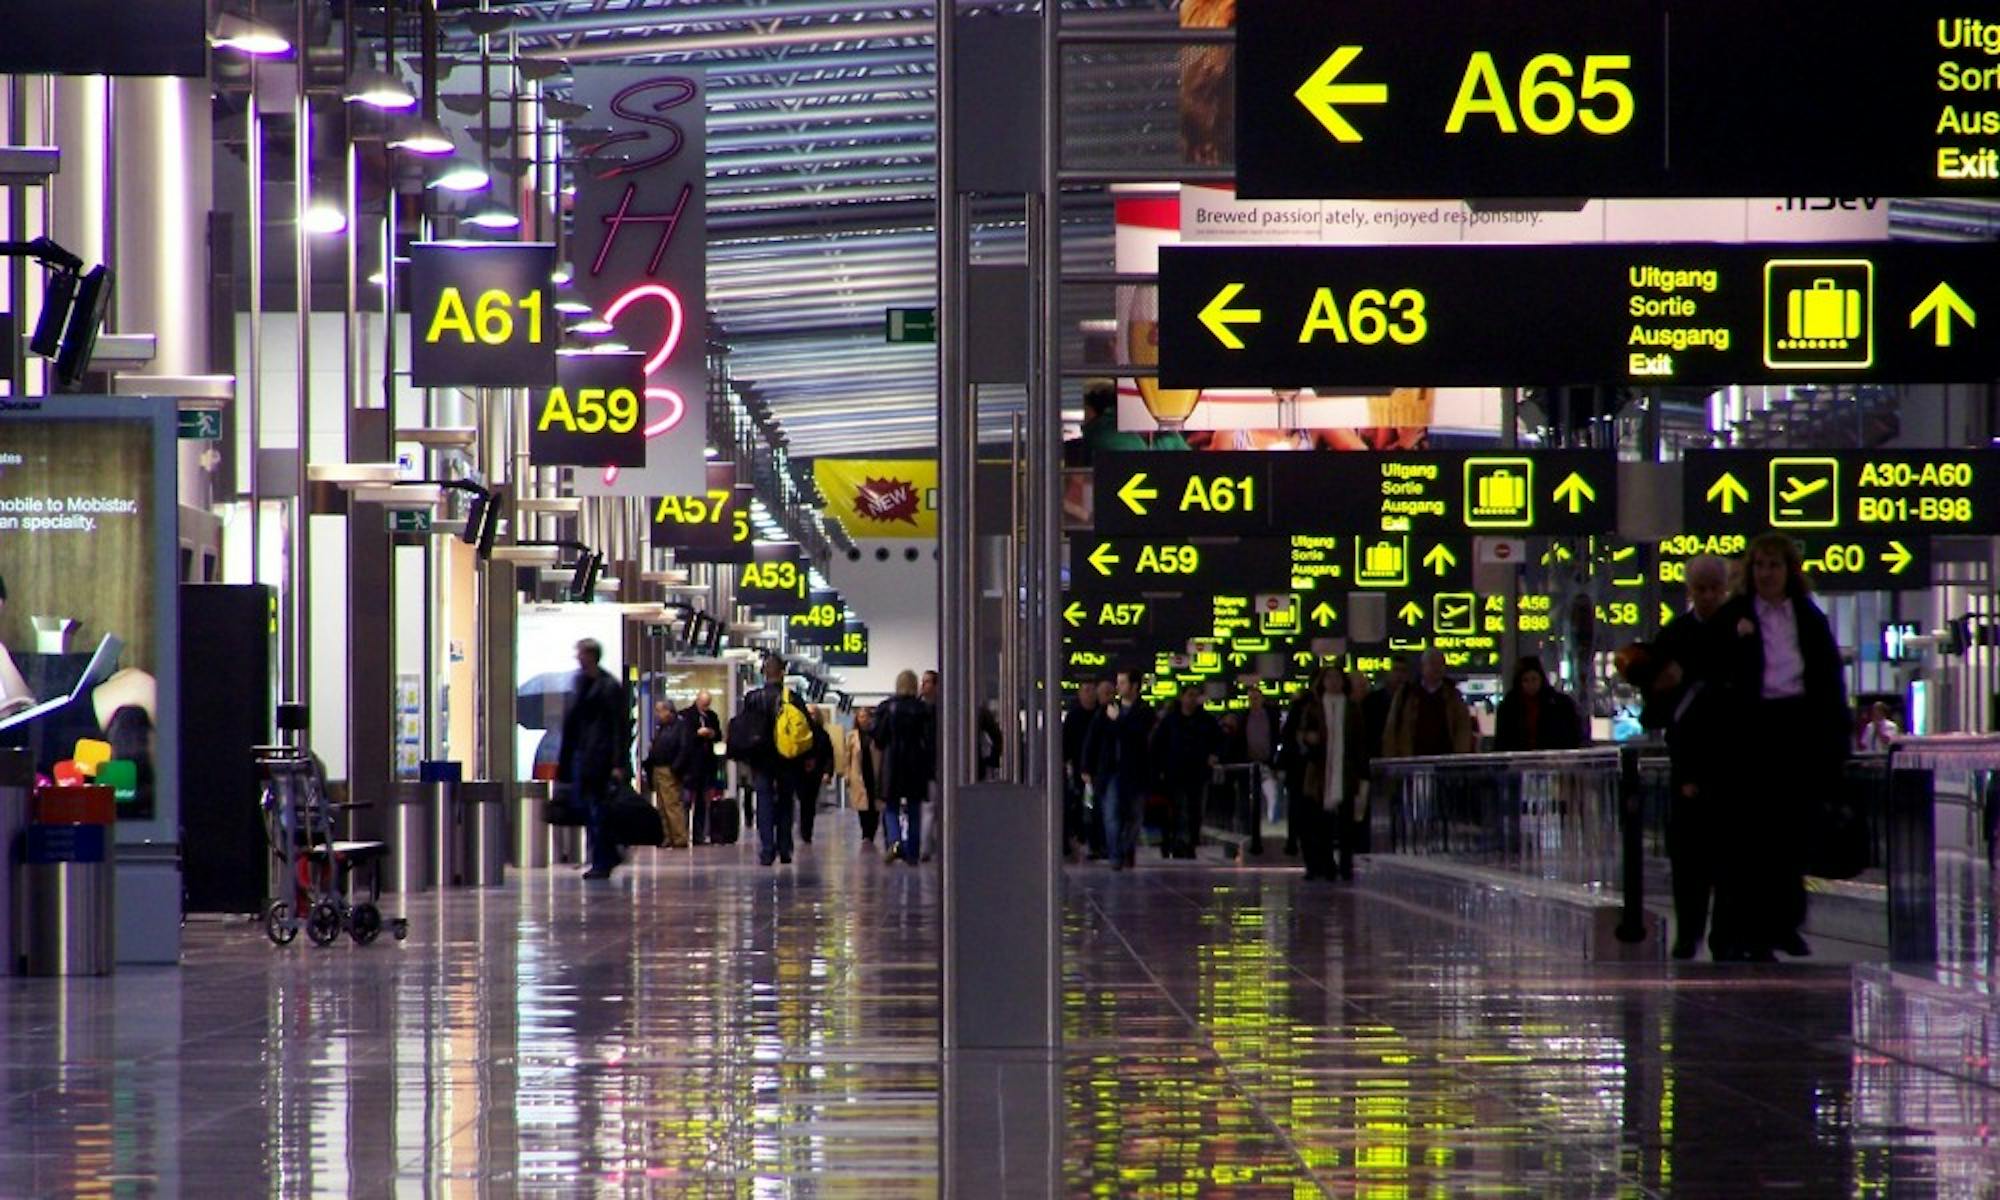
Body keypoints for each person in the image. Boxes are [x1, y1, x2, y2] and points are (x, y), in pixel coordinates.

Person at [1719, 532, 1850, 961]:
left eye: (1774, 566)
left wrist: (1834, 742)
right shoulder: (1736, 616)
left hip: (1798, 727)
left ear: (1788, 571)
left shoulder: (1809, 619)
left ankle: (1786, 922)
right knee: (1756, 835)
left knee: (1792, 832)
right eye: (1759, 566)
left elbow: (1829, 681)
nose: (1767, 574)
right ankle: (1757, 930)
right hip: (1754, 731)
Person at [1634, 553, 1739, 960]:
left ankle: (1723, 931)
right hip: (1690, 758)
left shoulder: (1738, 630)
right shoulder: (1675, 635)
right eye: (1701, 589)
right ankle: (1690, 929)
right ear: (1690, 591)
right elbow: (1654, 696)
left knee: (1728, 854)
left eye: (1715, 589)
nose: (1709, 597)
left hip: (1730, 757)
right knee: (1689, 854)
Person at [1288, 665, 1370, 881]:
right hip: (1319, 772)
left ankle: (1345, 864)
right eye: (1329, 678)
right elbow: (1301, 735)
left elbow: (1360, 741)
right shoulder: (1314, 707)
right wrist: (1308, 739)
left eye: (1337, 678)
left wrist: (1362, 771)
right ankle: (1325, 864)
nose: (1333, 682)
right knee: (1320, 822)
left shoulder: (1352, 708)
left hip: (1345, 770)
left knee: (1346, 822)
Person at [559, 639, 631, 880]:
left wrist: (618, 763)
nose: (577, 658)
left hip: (600, 758)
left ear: (590, 655)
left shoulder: (609, 687)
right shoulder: (581, 684)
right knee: (590, 810)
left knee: (599, 810)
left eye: (580, 653)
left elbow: (618, 727)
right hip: (584, 756)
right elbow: (573, 725)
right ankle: (605, 854)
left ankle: (603, 858)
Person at [741, 655, 810, 867]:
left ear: (764, 672)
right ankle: (785, 847)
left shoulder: (752, 698)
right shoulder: (793, 698)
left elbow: (745, 729)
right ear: (783, 672)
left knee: (764, 803)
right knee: (786, 802)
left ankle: (767, 850)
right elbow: (805, 731)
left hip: (761, 761)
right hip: (787, 759)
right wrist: (806, 758)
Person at [1082, 669, 1153, 870]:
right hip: (1111, 771)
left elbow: (1136, 734)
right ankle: (1116, 856)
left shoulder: (1144, 711)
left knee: (1134, 816)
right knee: (1111, 814)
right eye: (1118, 683)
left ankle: (1124, 849)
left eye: (1123, 683)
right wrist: (1086, 766)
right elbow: (1093, 738)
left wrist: (1119, 721)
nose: (1118, 687)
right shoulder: (1107, 710)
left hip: (1135, 772)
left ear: (1135, 686)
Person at [1150, 685, 1222, 859]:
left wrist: (1214, 755)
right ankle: (1179, 842)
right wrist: (1159, 769)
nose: (1192, 700)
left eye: (1196, 696)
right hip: (1175, 773)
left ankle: (1190, 842)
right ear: (1182, 697)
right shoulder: (1170, 720)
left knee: (1195, 810)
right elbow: (1157, 745)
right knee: (1178, 809)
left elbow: (1220, 740)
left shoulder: (1206, 720)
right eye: (1189, 695)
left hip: (1198, 773)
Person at [873, 670, 935, 864]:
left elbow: (879, 738)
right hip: (916, 763)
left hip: (892, 763)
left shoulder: (886, 707)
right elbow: (930, 739)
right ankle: (913, 853)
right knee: (914, 808)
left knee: (890, 807)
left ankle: (895, 840)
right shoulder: (923, 709)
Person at [1382, 650, 1476, 758]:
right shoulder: (1406, 694)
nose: (1436, 668)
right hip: (1412, 760)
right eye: (1432, 663)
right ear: (1423, 667)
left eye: (1440, 664)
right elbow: (1391, 729)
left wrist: (1459, 756)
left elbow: (1463, 729)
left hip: (1445, 760)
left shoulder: (1453, 696)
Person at [1493, 656, 1584, 752]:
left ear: (1541, 679)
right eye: (1525, 680)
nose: (1531, 685)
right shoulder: (1508, 707)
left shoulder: (1561, 704)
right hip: (1519, 761)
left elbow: (1573, 734)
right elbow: (1501, 741)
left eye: (1534, 679)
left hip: (1554, 761)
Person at [640, 699, 695, 849]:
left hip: (669, 769)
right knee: (662, 805)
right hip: (658, 769)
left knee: (672, 804)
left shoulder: (680, 726)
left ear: (669, 711)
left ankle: (679, 837)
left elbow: (684, 748)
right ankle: (667, 836)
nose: (658, 715)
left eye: (660, 711)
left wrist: (675, 767)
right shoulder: (662, 728)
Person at [1238, 685, 1283, 856]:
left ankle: (1268, 826)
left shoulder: (1270, 717)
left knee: (1269, 795)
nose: (1253, 701)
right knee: (1248, 801)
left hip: (1267, 763)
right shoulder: (1244, 717)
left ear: (1262, 699)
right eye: (1251, 698)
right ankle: (1250, 834)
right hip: (1249, 765)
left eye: (1256, 698)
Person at [1061, 683, 1101, 861]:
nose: (1090, 694)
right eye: (1086, 690)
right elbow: (1066, 742)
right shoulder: (1073, 717)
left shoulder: (1103, 714)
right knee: (1081, 804)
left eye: (1092, 690)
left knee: (1094, 806)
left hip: (1099, 769)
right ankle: (1081, 834)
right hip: (1079, 769)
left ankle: (1093, 840)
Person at [680, 690, 723, 843]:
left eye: (707, 704)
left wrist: (712, 733)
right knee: (685, 801)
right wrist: (697, 734)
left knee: (702, 803)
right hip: (691, 764)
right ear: (697, 701)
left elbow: (719, 735)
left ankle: (699, 835)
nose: (706, 707)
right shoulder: (685, 716)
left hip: (706, 765)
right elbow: (683, 737)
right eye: (703, 704)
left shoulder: (712, 716)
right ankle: (682, 833)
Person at [796, 705, 836, 844]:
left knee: (810, 802)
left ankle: (807, 831)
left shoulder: (822, 734)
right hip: (800, 771)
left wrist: (827, 772)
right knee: (803, 801)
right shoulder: (800, 731)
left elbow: (829, 755)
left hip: (815, 772)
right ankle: (803, 829)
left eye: (813, 713)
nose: (811, 716)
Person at [845, 705, 882, 844]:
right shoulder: (852, 736)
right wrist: (847, 774)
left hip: (873, 772)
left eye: (865, 716)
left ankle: (872, 830)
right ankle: (865, 832)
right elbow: (847, 757)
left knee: (874, 803)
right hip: (858, 772)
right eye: (860, 717)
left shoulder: (876, 734)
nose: (863, 719)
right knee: (861, 804)